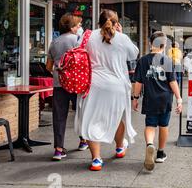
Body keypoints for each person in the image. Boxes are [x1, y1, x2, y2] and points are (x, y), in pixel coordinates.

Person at [75, 9, 139, 171]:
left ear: (99, 21)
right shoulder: (122, 38)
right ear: (117, 22)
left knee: (90, 120)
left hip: (93, 84)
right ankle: (119, 147)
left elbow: (78, 52)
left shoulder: (88, 36)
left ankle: (96, 159)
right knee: (118, 118)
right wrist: (122, 34)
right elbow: (134, 54)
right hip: (117, 85)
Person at [132, 31, 182, 171]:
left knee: (150, 125)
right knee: (163, 125)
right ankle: (160, 153)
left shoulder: (142, 61)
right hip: (165, 98)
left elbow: (138, 83)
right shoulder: (167, 60)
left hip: (150, 98)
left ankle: (149, 144)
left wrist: (135, 98)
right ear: (164, 45)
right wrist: (179, 98)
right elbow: (172, 82)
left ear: (150, 43)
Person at [46, 13, 88, 161]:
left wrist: (60, 72)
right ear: (71, 27)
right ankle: (83, 140)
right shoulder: (78, 40)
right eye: (78, 25)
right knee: (81, 112)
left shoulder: (54, 42)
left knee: (59, 116)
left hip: (59, 83)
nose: (80, 27)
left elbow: (49, 66)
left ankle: (58, 149)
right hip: (78, 84)